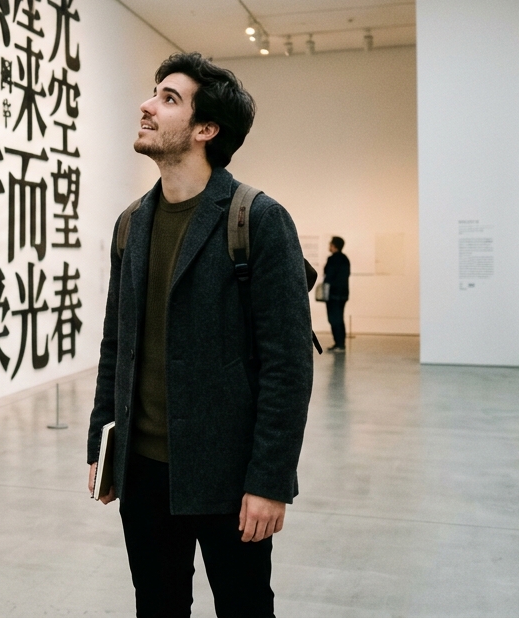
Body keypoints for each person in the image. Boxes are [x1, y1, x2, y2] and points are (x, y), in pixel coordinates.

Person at [86, 53, 314, 618]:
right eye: (153, 93)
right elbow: (117, 344)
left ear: (205, 129)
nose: (147, 105)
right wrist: (102, 443)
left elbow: (288, 364)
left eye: (168, 98)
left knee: (244, 608)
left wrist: (270, 481)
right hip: (143, 472)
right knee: (157, 607)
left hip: (229, 474)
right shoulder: (131, 223)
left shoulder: (257, 219)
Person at [322, 237, 350, 351]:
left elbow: (329, 276)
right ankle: (340, 343)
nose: (329, 245)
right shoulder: (345, 259)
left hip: (333, 294)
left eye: (330, 244)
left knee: (334, 319)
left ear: (334, 246)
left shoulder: (332, 259)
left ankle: (339, 344)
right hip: (343, 294)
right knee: (339, 318)